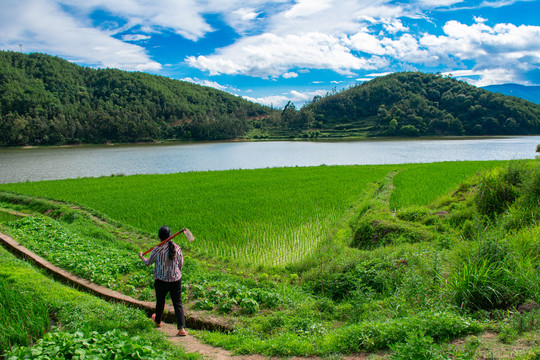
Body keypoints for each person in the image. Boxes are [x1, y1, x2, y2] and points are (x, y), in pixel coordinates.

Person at [139, 225, 187, 336]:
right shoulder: (177, 247)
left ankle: (158, 321)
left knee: (160, 301)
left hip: (161, 280)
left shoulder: (157, 249)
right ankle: (181, 329)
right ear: (170, 236)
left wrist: (142, 257)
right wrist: (176, 274)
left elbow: (148, 263)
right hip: (175, 280)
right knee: (177, 303)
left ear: (160, 237)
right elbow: (180, 264)